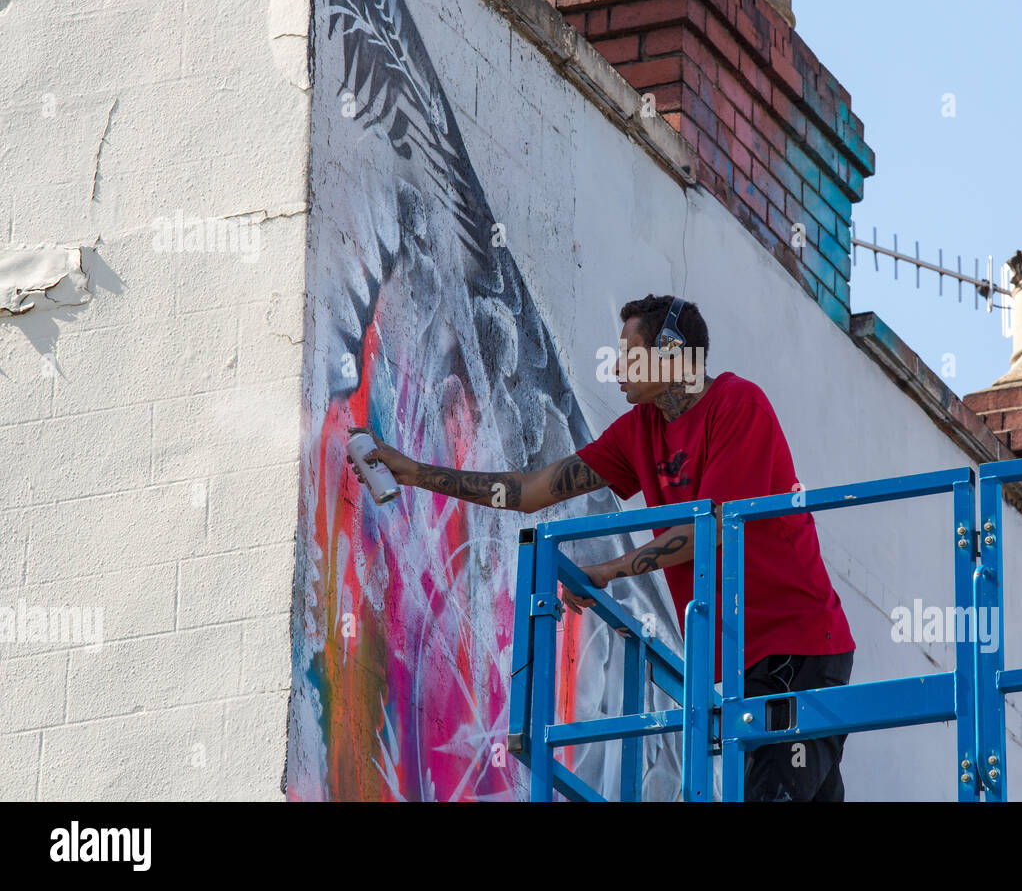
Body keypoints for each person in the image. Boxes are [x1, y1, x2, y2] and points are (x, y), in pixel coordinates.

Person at [349, 293, 856, 801]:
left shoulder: (737, 404)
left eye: (631, 353)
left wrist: (610, 569)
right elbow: (530, 492)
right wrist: (415, 473)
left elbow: (713, 528)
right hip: (744, 666)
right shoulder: (641, 430)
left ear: (674, 353)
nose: (617, 367)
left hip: (799, 648)